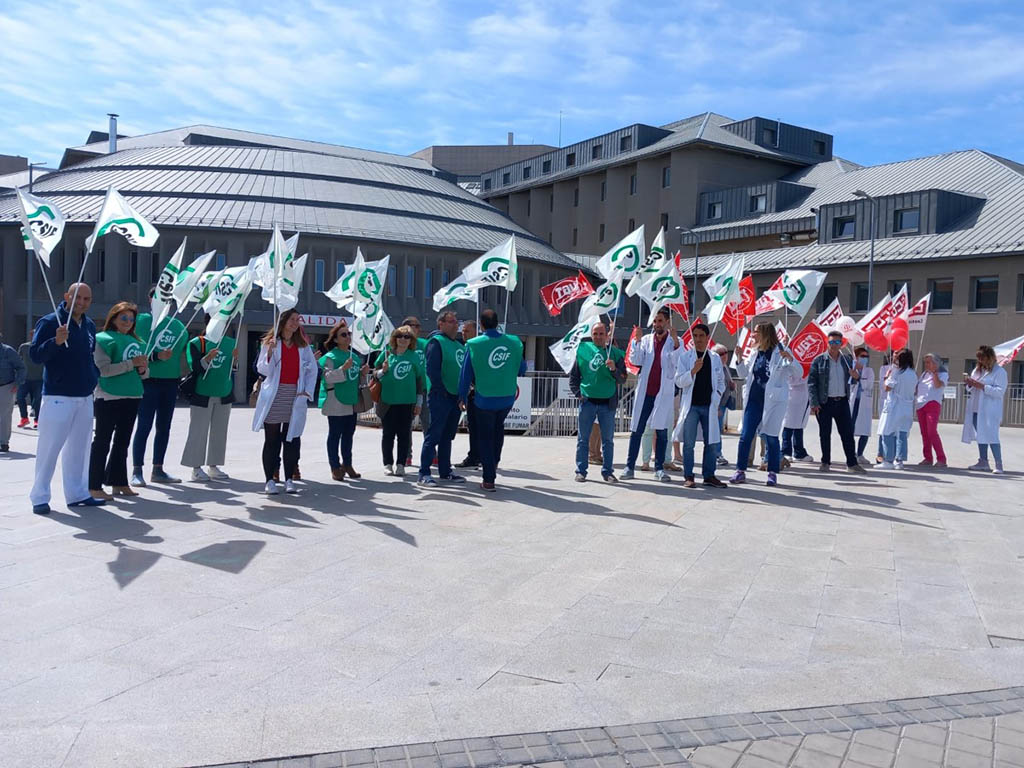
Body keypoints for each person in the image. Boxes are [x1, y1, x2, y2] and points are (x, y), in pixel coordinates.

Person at [29, 283, 105, 514]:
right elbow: (34, 355)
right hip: (58, 396)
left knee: (80, 450)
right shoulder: (51, 321)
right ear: (67, 297)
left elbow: (89, 356)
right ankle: (39, 496)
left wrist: (94, 376)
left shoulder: (90, 325)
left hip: (84, 396)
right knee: (49, 448)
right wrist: (55, 342)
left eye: (86, 299)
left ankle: (78, 493)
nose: (81, 302)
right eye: (78, 297)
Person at [458, 309, 526, 492]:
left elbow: (466, 375)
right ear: (497, 323)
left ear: (481, 325)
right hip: (507, 397)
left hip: (484, 398)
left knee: (486, 436)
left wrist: (462, 396)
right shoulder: (514, 342)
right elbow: (522, 369)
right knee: (498, 430)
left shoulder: (473, 344)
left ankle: (489, 478)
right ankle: (493, 463)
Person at [252, 309, 318, 494]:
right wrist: (270, 353)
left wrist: (307, 392)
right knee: (272, 440)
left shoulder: (303, 346)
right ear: (283, 321)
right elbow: (263, 370)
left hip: (295, 395)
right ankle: (269, 480)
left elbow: (312, 370)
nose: (295, 323)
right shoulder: (271, 343)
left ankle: (289, 478)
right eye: (292, 319)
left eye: (298, 320)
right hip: (275, 394)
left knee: (292, 438)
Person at [89, 302, 149, 499]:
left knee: (122, 441)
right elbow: (104, 371)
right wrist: (132, 364)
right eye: (124, 318)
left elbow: (144, 374)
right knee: (103, 441)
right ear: (113, 318)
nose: (128, 322)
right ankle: (94, 485)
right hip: (109, 396)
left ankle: (119, 482)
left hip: (132, 395)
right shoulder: (103, 339)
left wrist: (142, 368)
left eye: (131, 319)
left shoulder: (138, 341)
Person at [730, 323, 799, 486]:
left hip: (774, 401)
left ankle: (773, 472)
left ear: (765, 334)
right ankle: (740, 471)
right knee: (746, 435)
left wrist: (790, 359)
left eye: (756, 332)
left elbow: (798, 373)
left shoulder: (780, 352)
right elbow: (744, 373)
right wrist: (739, 359)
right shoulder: (755, 352)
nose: (753, 335)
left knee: (771, 437)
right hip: (754, 400)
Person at [131, 289, 188, 486]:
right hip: (148, 380)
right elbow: (135, 350)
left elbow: (178, 353)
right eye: (158, 297)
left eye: (168, 298)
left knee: (164, 427)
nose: (164, 301)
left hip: (170, 382)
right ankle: (137, 470)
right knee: (144, 426)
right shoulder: (140, 321)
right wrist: (155, 356)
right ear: (150, 299)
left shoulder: (179, 326)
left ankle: (158, 469)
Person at [622, 308, 680, 482]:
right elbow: (635, 360)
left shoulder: (674, 341)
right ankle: (629, 467)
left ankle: (659, 468)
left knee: (661, 431)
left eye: (660, 321)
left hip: (663, 394)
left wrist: (676, 343)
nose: (657, 325)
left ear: (667, 322)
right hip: (646, 393)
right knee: (637, 430)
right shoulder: (646, 340)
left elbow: (677, 363)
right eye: (655, 321)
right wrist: (637, 341)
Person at [180, 320, 238, 482]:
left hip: (224, 392)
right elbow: (195, 367)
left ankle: (214, 466)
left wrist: (235, 360)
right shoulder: (197, 343)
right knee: (198, 431)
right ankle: (196, 468)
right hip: (202, 393)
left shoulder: (231, 342)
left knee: (220, 432)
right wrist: (207, 358)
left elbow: (232, 369)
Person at [570, 321, 626, 483]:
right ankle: (581, 471)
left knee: (608, 440)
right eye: (595, 333)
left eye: (601, 333)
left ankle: (607, 472)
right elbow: (574, 376)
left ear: (607, 335)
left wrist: (614, 369)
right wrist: (578, 394)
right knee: (583, 439)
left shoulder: (614, 353)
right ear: (591, 335)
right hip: (587, 402)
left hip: (607, 403)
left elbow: (623, 379)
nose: (598, 336)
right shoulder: (583, 350)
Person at [672, 323, 727, 488]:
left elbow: (720, 382)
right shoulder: (685, 357)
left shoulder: (715, 358)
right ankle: (688, 475)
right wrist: (692, 371)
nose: (698, 339)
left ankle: (709, 475)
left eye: (701, 336)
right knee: (689, 443)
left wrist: (716, 399)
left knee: (711, 443)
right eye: (695, 336)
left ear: (707, 337)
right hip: (691, 407)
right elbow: (679, 381)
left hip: (709, 406)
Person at [418, 311, 468, 486]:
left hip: (455, 398)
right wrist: (443, 390)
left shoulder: (459, 346)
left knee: (447, 436)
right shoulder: (436, 342)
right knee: (433, 436)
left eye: (456, 321)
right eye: (451, 321)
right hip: (441, 396)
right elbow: (432, 371)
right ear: (441, 324)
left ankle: (445, 471)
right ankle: (424, 473)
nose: (456, 325)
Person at [807, 330, 867, 474]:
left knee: (847, 433)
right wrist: (814, 403)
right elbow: (811, 383)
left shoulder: (846, 359)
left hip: (842, 401)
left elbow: (853, 380)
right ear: (827, 343)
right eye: (832, 342)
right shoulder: (819, 360)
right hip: (825, 402)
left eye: (837, 342)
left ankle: (852, 464)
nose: (834, 345)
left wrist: (855, 376)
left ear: (841, 344)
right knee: (825, 434)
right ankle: (825, 462)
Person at [319, 319, 366, 481]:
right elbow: (327, 378)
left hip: (351, 399)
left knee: (349, 434)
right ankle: (335, 466)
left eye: (349, 334)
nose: (347, 337)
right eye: (343, 335)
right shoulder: (330, 357)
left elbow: (354, 379)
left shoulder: (354, 356)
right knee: (335, 435)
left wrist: (362, 373)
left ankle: (348, 464)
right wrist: (342, 369)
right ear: (336, 339)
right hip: (336, 400)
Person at [375, 325, 425, 477]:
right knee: (388, 434)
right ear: (394, 338)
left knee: (404, 435)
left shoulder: (414, 356)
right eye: (400, 336)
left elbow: (420, 381)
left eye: (407, 337)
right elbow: (375, 376)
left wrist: (419, 403)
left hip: (407, 402)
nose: (403, 339)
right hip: (387, 402)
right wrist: (382, 371)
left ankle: (401, 464)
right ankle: (388, 464)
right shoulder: (386, 354)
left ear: (411, 340)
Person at [962, 345, 1007, 474]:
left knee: (992, 435)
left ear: (990, 357)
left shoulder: (1000, 372)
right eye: (979, 359)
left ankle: (999, 464)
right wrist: (969, 383)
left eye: (983, 358)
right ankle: (983, 461)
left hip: (990, 410)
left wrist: (983, 386)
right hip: (976, 408)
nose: (980, 361)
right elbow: (971, 387)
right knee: (980, 435)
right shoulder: (978, 370)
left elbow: (1000, 392)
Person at [877, 349, 917, 469]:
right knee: (902, 434)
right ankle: (899, 461)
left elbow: (888, 388)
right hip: (907, 407)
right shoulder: (913, 373)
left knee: (887, 432)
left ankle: (888, 460)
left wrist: (886, 377)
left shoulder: (896, 372)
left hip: (894, 406)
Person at [404, 315, 431, 467]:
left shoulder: (425, 344)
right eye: (416, 325)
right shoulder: (400, 345)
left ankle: (431, 454)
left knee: (428, 422)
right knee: (406, 425)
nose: (418, 329)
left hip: (424, 389)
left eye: (419, 326)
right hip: (406, 390)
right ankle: (407, 455)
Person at [455, 319, 480, 469]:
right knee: (474, 426)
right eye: (462, 331)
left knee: (479, 427)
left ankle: (477, 457)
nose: (463, 333)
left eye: (467, 331)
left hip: (478, 392)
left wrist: (462, 395)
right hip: (472, 393)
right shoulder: (464, 347)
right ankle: (477, 455)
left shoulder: (476, 348)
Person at [916, 353, 948, 467]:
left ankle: (941, 458)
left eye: (929, 362)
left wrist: (934, 373)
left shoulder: (942, 374)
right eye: (926, 362)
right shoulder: (924, 374)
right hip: (921, 404)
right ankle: (928, 457)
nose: (927, 365)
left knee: (932, 432)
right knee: (924, 433)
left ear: (936, 363)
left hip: (932, 403)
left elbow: (938, 385)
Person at [848, 346, 875, 466]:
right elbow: (848, 384)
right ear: (856, 357)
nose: (865, 359)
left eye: (866, 357)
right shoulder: (850, 369)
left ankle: (860, 454)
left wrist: (858, 377)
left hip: (864, 403)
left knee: (865, 429)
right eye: (862, 356)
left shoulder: (869, 371)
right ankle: (851, 453)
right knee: (850, 429)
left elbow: (868, 385)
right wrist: (853, 375)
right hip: (853, 402)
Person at [0, 333, 26, 452]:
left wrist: (17, 383)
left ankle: (4, 442)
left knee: (4, 416)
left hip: (6, 386)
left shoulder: (8, 351)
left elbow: (21, 367)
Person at [781, 374, 813, 465]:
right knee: (788, 424)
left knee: (800, 424)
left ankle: (799, 452)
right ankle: (786, 451)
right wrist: (805, 376)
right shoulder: (788, 361)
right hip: (791, 394)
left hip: (804, 396)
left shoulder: (808, 360)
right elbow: (790, 379)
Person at [714, 344, 736, 467]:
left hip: (723, 403)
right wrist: (716, 406)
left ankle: (717, 453)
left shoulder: (724, 367)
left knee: (718, 430)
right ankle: (717, 454)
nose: (725, 356)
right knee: (716, 431)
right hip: (717, 405)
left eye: (725, 353)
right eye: (721, 354)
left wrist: (731, 385)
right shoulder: (716, 368)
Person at [16, 336, 42, 429]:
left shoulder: (43, 347)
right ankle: (24, 418)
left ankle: (37, 420)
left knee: (37, 400)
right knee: (19, 397)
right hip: (25, 379)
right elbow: (18, 361)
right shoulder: (24, 347)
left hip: (39, 379)